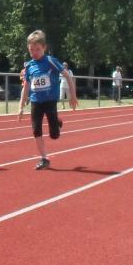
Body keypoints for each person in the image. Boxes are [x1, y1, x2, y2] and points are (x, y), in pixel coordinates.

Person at [18, 30, 77, 170]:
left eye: (37, 49)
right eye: (31, 50)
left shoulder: (51, 61)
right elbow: (26, 86)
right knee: (36, 130)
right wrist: (20, 106)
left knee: (54, 135)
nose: (34, 52)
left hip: (50, 101)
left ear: (44, 48)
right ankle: (44, 158)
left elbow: (67, 76)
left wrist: (73, 96)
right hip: (36, 102)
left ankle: (57, 121)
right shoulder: (29, 66)